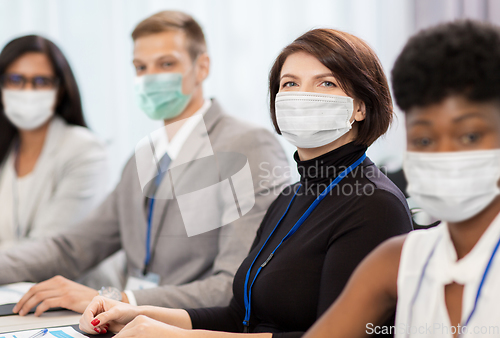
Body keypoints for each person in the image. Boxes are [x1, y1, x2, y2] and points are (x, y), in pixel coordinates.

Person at [78, 28, 413, 337]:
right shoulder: (291, 196)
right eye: (290, 84)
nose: (302, 96)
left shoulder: (374, 204)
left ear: (360, 107)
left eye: (326, 83)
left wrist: (180, 337)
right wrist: (137, 313)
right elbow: (241, 316)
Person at [0, 11, 289, 316]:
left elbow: (234, 283)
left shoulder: (247, 145)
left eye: (166, 64)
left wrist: (122, 300)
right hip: (126, 325)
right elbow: (72, 248)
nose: (151, 77)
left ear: (202, 66)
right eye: (141, 67)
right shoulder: (141, 160)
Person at [303, 20, 500, 338]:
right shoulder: (397, 261)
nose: (443, 154)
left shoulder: (374, 204)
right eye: (424, 140)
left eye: (469, 136)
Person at [0, 35, 108, 251]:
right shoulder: (7, 149)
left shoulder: (84, 150)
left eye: (41, 82)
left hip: (67, 282)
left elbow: (48, 250)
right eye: (15, 80)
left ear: (60, 91)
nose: (27, 91)